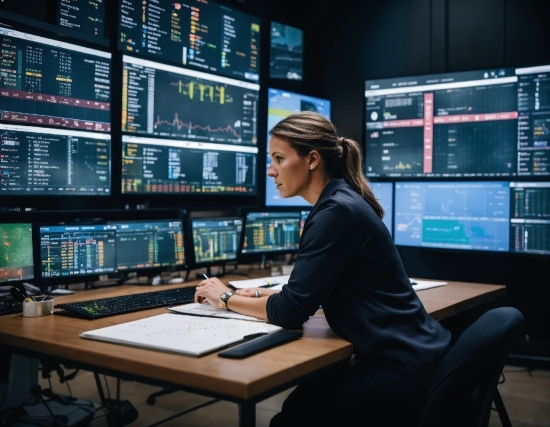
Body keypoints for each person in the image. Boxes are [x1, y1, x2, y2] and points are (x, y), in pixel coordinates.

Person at [195, 111, 451, 426]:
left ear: (312, 159)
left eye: (278, 158)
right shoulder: (342, 201)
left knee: (293, 417)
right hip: (414, 355)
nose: (270, 170)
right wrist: (262, 292)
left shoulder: (335, 212)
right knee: (302, 402)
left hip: (396, 369)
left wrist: (224, 297)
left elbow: (290, 312)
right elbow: (317, 288)